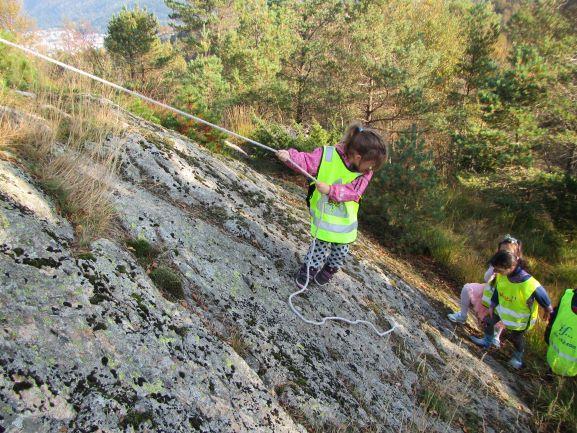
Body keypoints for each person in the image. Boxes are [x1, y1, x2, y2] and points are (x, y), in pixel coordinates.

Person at [276, 123, 387, 287]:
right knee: (319, 246)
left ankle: (329, 269)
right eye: (371, 164)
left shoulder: (365, 174)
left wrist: (330, 189)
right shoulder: (327, 155)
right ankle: (308, 271)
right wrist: (289, 156)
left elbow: (353, 192)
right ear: (358, 157)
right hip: (324, 216)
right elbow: (306, 161)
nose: (371, 169)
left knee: (340, 251)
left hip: (345, 223)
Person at [470, 250, 553, 369]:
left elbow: (543, 297)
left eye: (498, 269)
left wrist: (548, 310)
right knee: (488, 321)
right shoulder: (502, 276)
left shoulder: (529, 283)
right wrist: (492, 305)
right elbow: (499, 290)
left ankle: (517, 359)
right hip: (502, 309)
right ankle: (486, 341)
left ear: (511, 267)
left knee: (516, 338)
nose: (495, 271)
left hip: (520, 319)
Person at [447, 235, 524, 347]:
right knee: (467, 289)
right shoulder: (496, 263)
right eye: (502, 250)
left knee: (500, 315)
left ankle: (496, 336)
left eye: (508, 252)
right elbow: (486, 278)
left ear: (516, 254)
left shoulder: (517, 268)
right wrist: (493, 270)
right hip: (488, 290)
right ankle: (462, 315)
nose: (504, 253)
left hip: (504, 298)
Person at [544, 288, 577, 376]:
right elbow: (554, 316)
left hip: (558, 361)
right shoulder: (568, 295)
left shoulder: (568, 295)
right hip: (568, 368)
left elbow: (554, 316)